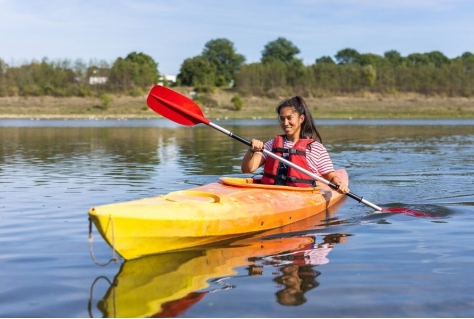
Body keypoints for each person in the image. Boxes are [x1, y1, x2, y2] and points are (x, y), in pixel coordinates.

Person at [241, 96, 350, 193]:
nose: (285, 123)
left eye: (289, 118)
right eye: (282, 119)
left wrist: (339, 184)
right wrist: (251, 151)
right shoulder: (271, 145)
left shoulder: (315, 148)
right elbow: (247, 170)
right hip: (272, 193)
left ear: (301, 118)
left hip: (302, 196)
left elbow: (331, 177)